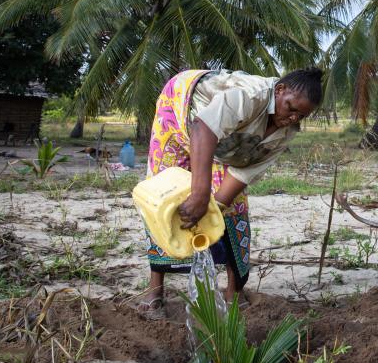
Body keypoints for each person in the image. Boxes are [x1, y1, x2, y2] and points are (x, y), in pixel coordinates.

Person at [136, 67, 323, 317]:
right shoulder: (249, 96)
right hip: (182, 109)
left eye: (301, 116)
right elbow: (204, 128)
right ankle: (155, 289)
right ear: (279, 90)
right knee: (165, 198)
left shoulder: (286, 131)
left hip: (225, 144)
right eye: (290, 108)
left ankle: (234, 291)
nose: (292, 119)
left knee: (234, 206)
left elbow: (245, 172)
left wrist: (214, 208)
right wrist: (201, 194)